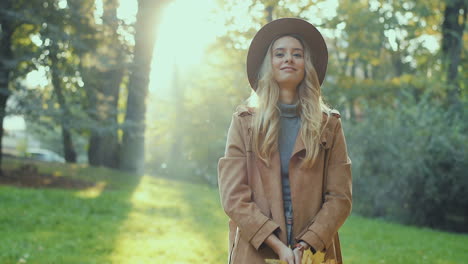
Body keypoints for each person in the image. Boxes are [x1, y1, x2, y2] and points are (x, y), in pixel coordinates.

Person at [218, 18, 352, 264]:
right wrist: (278, 246)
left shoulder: (329, 126)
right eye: (279, 54)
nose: (288, 59)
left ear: (306, 64)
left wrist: (307, 243)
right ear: (268, 64)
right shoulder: (244, 123)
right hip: (256, 250)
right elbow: (233, 197)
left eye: (297, 54)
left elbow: (340, 197)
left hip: (314, 253)